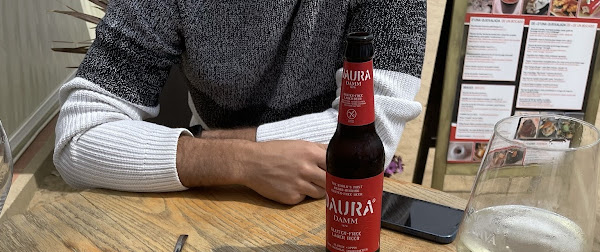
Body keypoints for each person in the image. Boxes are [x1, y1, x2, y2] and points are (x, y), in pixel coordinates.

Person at [54, 0, 426, 206]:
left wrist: (202, 143)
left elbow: (369, 134)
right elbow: (78, 138)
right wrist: (241, 162)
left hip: (336, 202)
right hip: (207, 196)